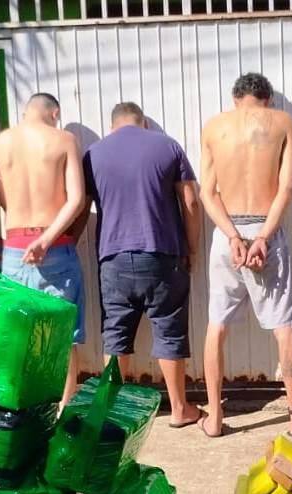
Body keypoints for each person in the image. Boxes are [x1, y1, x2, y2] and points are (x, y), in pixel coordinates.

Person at [199, 73, 292, 438]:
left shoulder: (214, 127)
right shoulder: (283, 122)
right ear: (267, 99)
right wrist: (262, 236)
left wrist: (233, 237)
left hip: (226, 234)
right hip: (266, 229)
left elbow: (207, 193)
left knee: (217, 325)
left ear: (236, 99)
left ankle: (214, 418)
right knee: (282, 327)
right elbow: (287, 186)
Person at [82, 101, 202, 427]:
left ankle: (112, 413)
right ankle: (179, 409)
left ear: (113, 124)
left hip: (113, 257)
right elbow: (190, 200)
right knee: (169, 331)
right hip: (162, 254)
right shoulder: (168, 147)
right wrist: (192, 248)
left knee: (116, 335)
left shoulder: (94, 154)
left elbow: (81, 205)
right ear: (143, 123)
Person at [0, 93, 86, 408]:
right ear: (54, 112)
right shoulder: (64, 139)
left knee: (19, 333)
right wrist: (45, 239)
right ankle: (63, 409)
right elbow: (77, 200)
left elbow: (1, 198)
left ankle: (24, 407)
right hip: (54, 246)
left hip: (15, 247)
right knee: (64, 336)